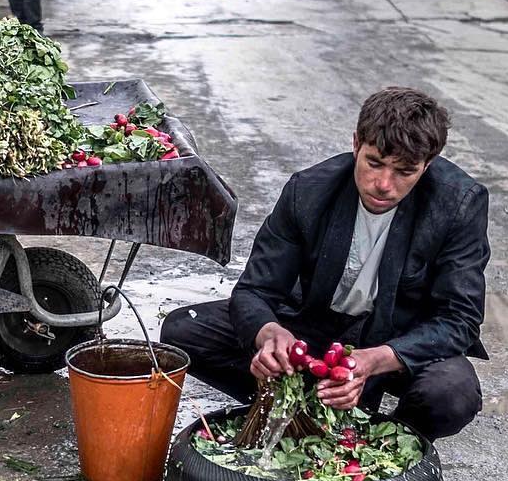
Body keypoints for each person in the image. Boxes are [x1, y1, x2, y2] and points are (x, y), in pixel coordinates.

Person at [160, 88, 489, 442]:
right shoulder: (309, 191)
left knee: (451, 393)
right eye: (374, 162)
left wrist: (374, 360)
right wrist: (269, 335)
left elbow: (460, 319)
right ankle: (300, 407)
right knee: (183, 331)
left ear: (428, 164)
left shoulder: (459, 204)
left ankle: (381, 440)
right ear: (356, 144)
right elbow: (256, 289)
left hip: (400, 338)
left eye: (405, 172)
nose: (383, 185)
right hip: (315, 326)